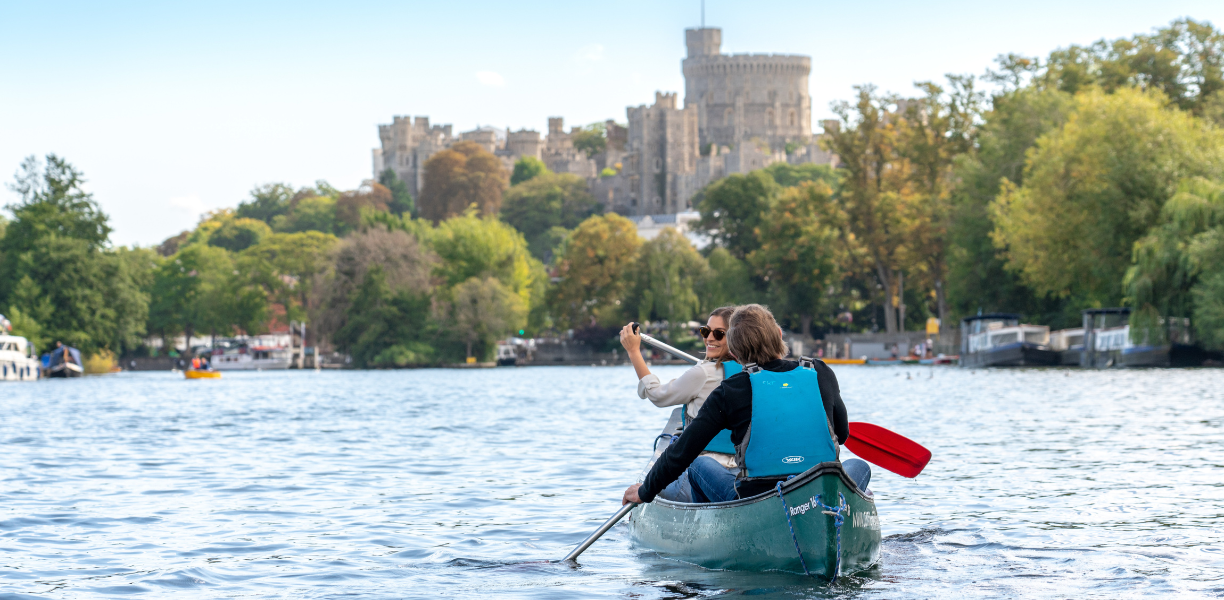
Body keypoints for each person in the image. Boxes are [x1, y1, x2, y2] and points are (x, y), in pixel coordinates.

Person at [622, 304, 871, 505]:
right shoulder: (821, 372)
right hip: (820, 491)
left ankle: (710, 528)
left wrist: (646, 491)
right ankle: (842, 507)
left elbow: (681, 453)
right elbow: (843, 434)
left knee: (698, 464)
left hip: (758, 499)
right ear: (779, 335)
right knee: (859, 466)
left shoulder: (732, 389)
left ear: (737, 354)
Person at [619, 306, 741, 502]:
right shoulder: (753, 371)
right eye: (705, 331)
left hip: (699, 475)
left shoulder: (703, 373)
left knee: (649, 478)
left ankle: (641, 493)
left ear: (735, 337)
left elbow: (658, 395)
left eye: (719, 334)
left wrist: (634, 351)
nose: (709, 338)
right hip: (738, 472)